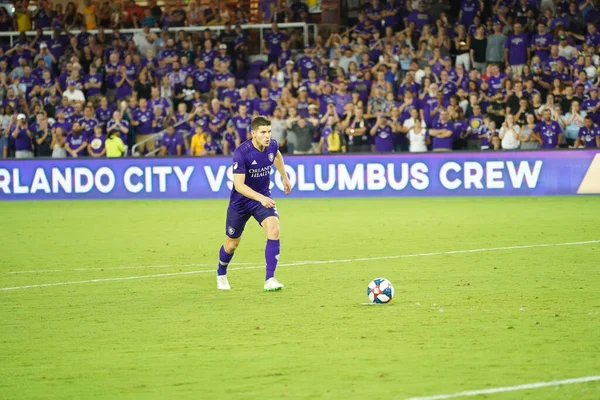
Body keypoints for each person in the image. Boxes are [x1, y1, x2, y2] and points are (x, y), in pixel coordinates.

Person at [216, 116, 292, 292]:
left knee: (274, 229)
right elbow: (239, 186)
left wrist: (284, 176)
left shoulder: (271, 145)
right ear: (253, 134)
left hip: (262, 198)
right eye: (263, 132)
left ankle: (270, 278)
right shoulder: (241, 152)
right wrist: (261, 198)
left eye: (269, 132)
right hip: (241, 202)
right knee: (232, 243)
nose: (267, 136)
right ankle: (221, 272)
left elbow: (277, 155)